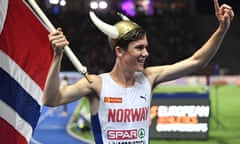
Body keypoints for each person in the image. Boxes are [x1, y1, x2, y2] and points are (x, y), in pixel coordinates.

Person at [43, 0, 234, 143]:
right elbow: (51, 100)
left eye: (146, 47)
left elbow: (197, 61)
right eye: (139, 48)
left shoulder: (149, 78)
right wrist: (57, 56)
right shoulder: (96, 84)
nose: (146, 53)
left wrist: (222, 29)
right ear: (119, 51)